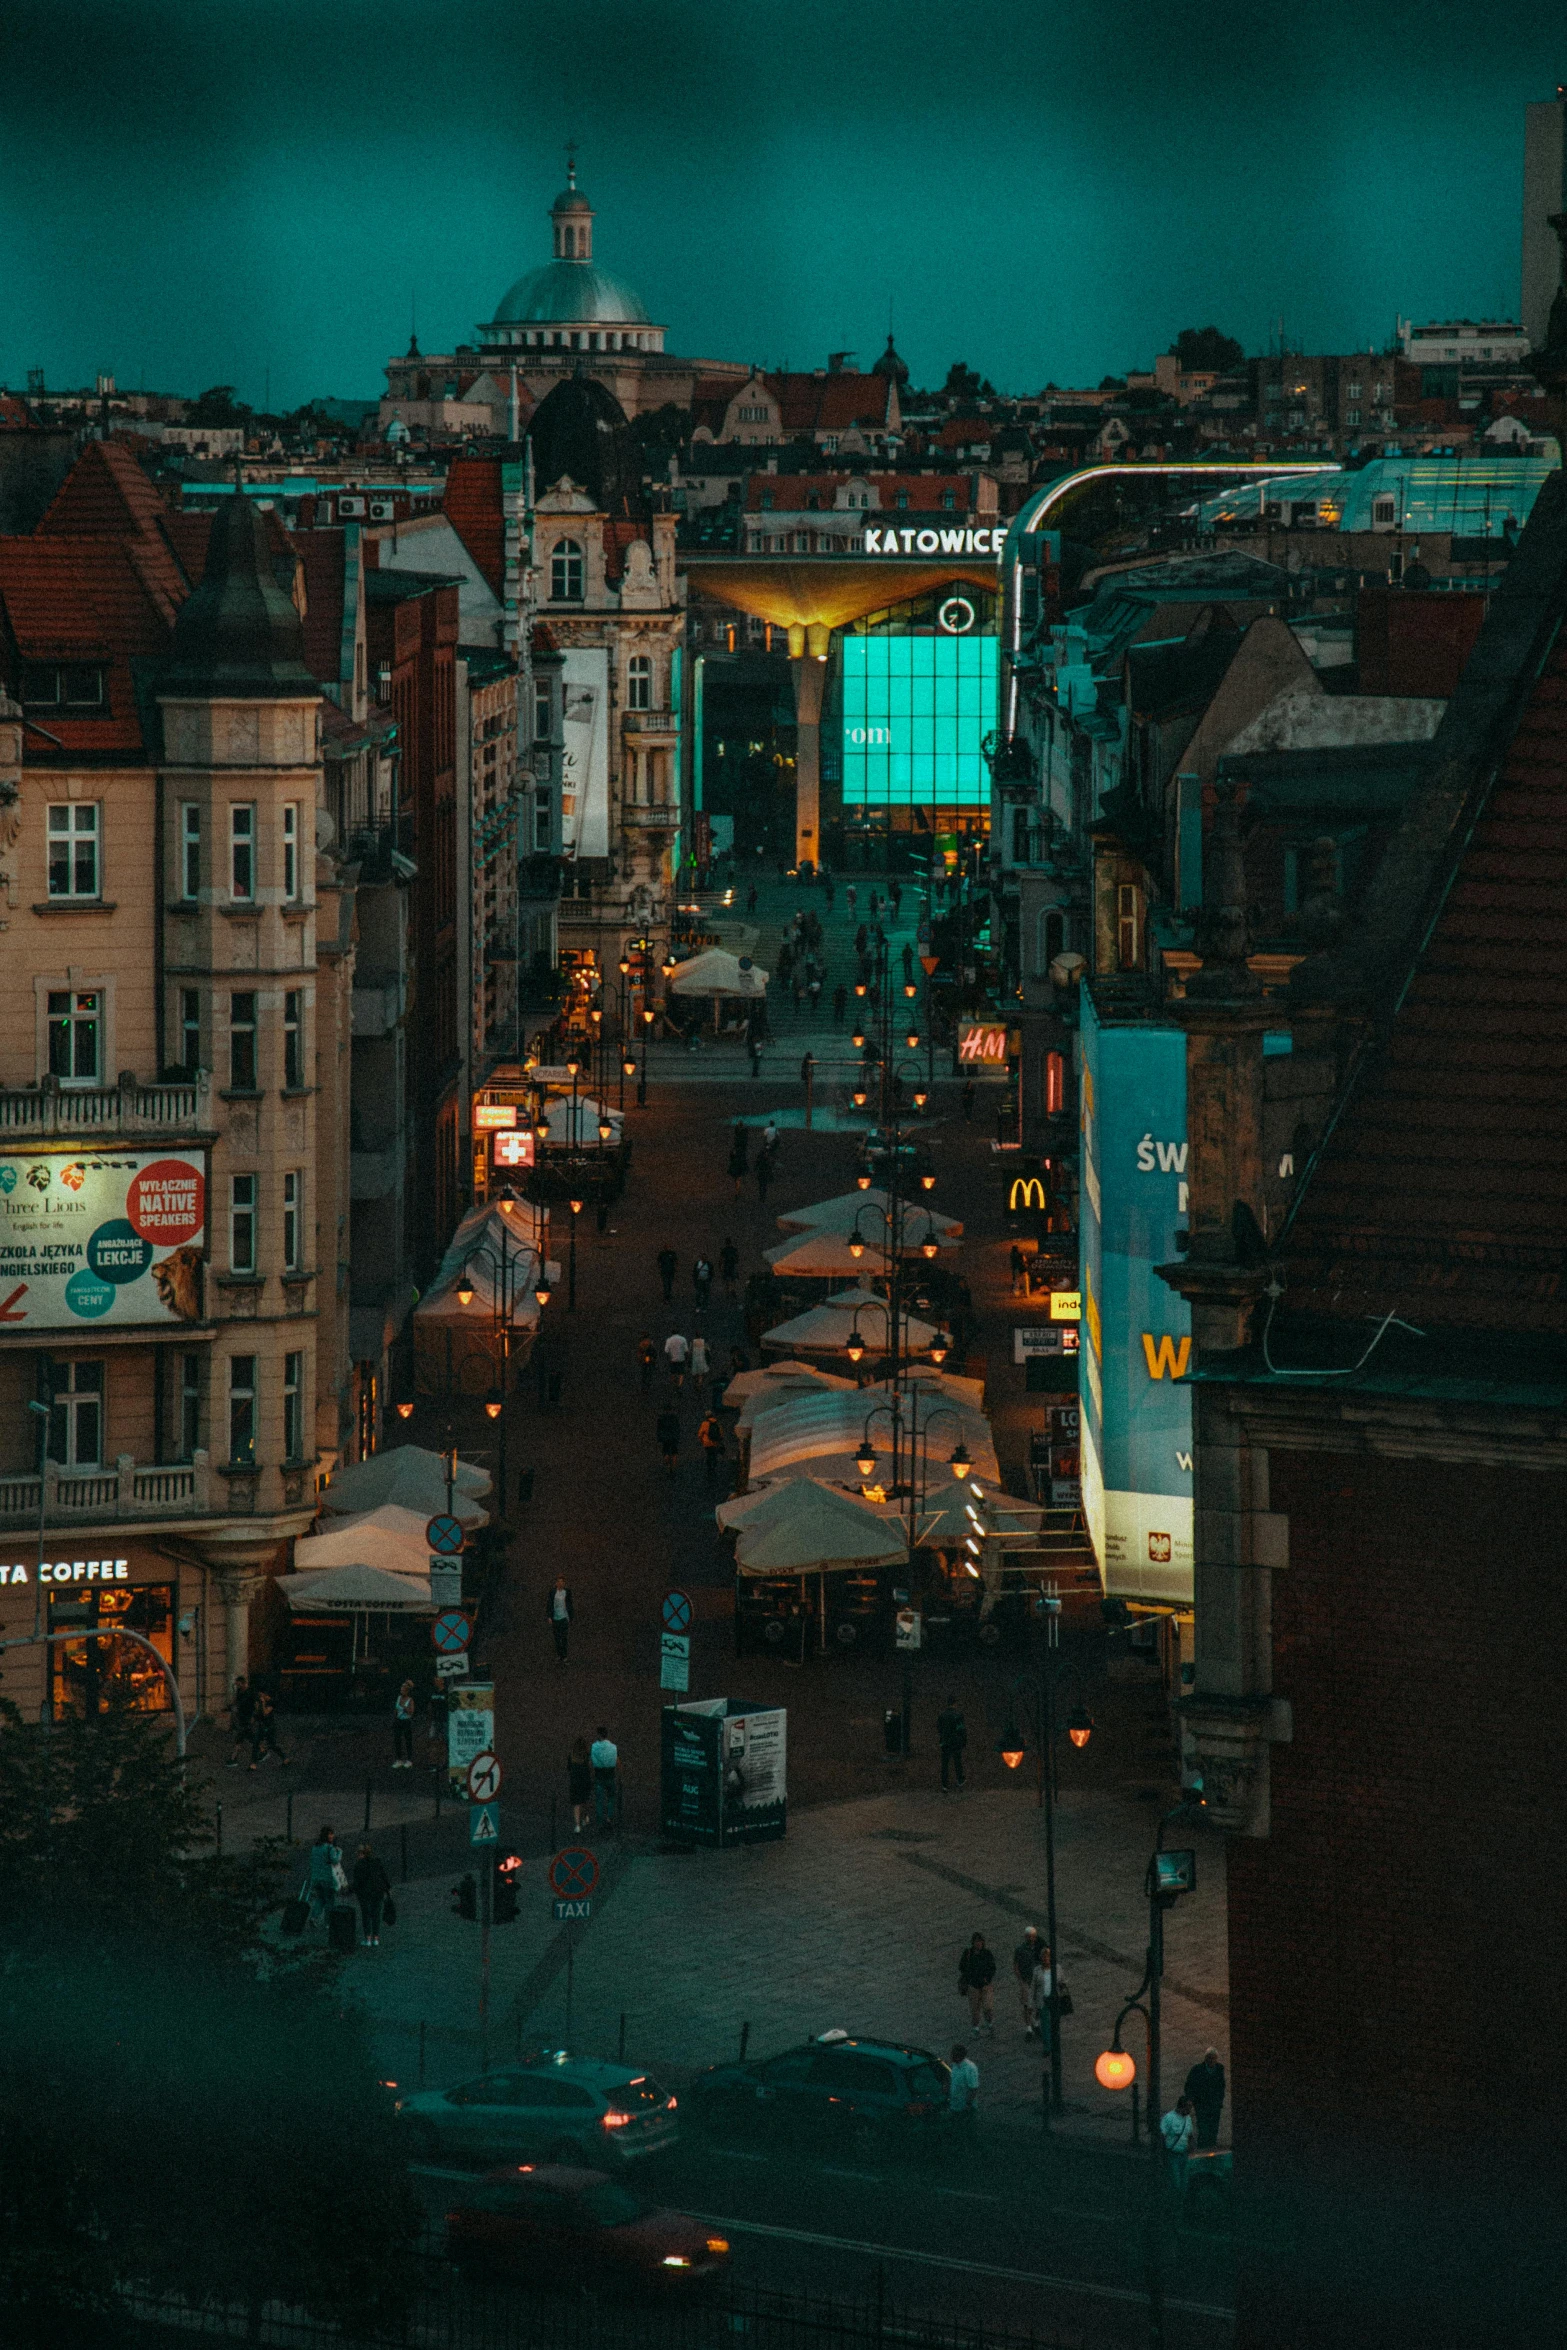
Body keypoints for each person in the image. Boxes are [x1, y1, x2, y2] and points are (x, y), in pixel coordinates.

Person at [1183, 2049, 1227, 2149]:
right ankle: (1203, 2148)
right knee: (1203, 2128)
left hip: (1215, 2105)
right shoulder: (1197, 2069)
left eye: (1213, 2058)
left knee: (1213, 2128)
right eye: (1209, 2058)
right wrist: (1191, 2099)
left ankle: (1212, 2146)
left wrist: (1219, 2101)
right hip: (1202, 2104)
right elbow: (1189, 2085)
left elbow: (1221, 2086)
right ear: (1206, 2058)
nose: (1211, 2060)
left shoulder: (1219, 2069)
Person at [352, 1843, 392, 1947]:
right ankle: (376, 1938)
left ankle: (368, 1938)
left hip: (365, 1893)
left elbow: (357, 1882)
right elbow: (383, 1876)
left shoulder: (359, 1865)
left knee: (366, 1915)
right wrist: (387, 1889)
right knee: (376, 1915)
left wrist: (349, 1890)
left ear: (361, 1854)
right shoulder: (376, 1862)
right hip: (378, 1892)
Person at [958, 1933, 996, 2033]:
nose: (979, 1944)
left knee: (988, 2007)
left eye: (980, 1941)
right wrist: (969, 1976)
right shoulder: (968, 1953)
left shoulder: (987, 1953)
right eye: (977, 1942)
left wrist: (987, 1979)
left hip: (985, 1985)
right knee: (975, 2009)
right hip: (973, 1986)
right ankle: (975, 2028)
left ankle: (989, 2024)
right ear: (973, 1942)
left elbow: (992, 1968)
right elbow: (961, 1966)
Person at [305, 1825, 343, 1924]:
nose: (332, 1836)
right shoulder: (330, 1848)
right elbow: (335, 1860)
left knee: (320, 1898)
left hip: (316, 1878)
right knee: (330, 1900)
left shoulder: (315, 1848)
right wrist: (339, 1852)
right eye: (331, 1834)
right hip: (327, 1878)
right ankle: (328, 1922)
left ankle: (314, 1917)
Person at [1013, 1926, 1046, 2035]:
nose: (1031, 1939)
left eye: (1033, 1937)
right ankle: (1028, 2028)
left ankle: (1035, 2023)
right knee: (1027, 2004)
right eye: (1029, 1937)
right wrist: (1020, 1980)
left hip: (1036, 1980)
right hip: (1026, 1980)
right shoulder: (1020, 1950)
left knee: (1038, 2004)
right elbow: (1016, 1965)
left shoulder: (1039, 1948)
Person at [248, 1687, 289, 1771]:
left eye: (261, 1694)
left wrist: (263, 1704)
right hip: (261, 1726)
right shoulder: (259, 1701)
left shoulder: (271, 1702)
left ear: (265, 1694)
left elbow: (265, 1713)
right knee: (256, 1744)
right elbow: (257, 1714)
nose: (260, 1696)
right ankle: (253, 1764)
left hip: (269, 1727)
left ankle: (284, 1757)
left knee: (272, 1745)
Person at [947, 2043, 980, 2138]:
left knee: (967, 2129)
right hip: (955, 2104)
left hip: (964, 2106)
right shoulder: (955, 2065)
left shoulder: (970, 2068)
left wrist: (968, 2104)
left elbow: (973, 2088)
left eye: (952, 2054)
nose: (950, 2056)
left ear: (958, 2056)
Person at [1161, 2096, 1197, 2181]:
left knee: (1184, 2179)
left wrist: (1192, 2147)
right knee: (1175, 2180)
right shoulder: (1169, 2118)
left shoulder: (1188, 2118)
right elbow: (1162, 2136)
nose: (1190, 2109)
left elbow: (1190, 2135)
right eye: (1189, 2107)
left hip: (1184, 2153)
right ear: (1182, 2106)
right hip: (1173, 2154)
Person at [590, 1726, 619, 1828]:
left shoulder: (594, 1747)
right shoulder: (613, 1747)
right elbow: (615, 1760)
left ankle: (600, 1820)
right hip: (610, 1774)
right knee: (611, 1798)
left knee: (599, 1800)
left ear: (599, 1735)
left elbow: (593, 1761)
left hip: (599, 1775)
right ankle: (609, 1818)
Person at [936, 1694, 967, 1792]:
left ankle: (945, 1784)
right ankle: (960, 1780)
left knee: (945, 1763)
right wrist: (963, 1740)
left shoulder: (942, 1715)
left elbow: (939, 1728)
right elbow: (961, 1729)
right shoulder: (958, 1715)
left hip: (945, 1741)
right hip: (956, 1741)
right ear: (955, 1703)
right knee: (957, 1761)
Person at [225, 1674, 256, 1767]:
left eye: (239, 1685)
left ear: (244, 1684)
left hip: (247, 1718)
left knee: (240, 1738)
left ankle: (233, 1759)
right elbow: (236, 1701)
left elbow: (255, 1705)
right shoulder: (240, 1691)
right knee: (249, 1737)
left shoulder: (250, 1692)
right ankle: (262, 1750)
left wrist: (253, 1717)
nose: (238, 1686)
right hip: (242, 1718)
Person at [546, 1575, 574, 1663]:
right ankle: (559, 1655)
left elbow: (570, 1604)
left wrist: (570, 1616)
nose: (560, 1583)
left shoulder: (567, 1592)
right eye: (559, 1581)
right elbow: (549, 1604)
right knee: (557, 1638)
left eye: (562, 1582)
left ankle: (564, 1656)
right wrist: (549, 1616)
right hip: (555, 1618)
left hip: (564, 1617)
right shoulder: (552, 1592)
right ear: (556, 1583)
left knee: (564, 1638)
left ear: (564, 1583)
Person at [568, 1736, 593, 1832]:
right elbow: (590, 1767)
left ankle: (577, 1825)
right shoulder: (587, 1755)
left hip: (575, 1781)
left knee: (576, 1804)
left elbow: (569, 1768)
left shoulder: (571, 1756)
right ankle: (585, 1817)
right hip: (585, 1780)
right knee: (585, 1800)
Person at [392, 1679, 416, 1767]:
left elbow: (411, 1712)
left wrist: (406, 1709)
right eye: (401, 1689)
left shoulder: (410, 1700)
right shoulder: (398, 1698)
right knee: (397, 1740)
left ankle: (409, 1759)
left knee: (407, 1740)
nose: (402, 1691)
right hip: (398, 1721)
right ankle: (399, 1759)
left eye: (403, 1689)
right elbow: (395, 1709)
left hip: (406, 1721)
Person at [699, 1409, 726, 1483]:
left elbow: (700, 1434)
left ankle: (709, 1467)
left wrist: (702, 1440)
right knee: (714, 1454)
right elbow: (721, 1433)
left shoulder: (704, 1423)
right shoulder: (717, 1423)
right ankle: (714, 1466)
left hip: (707, 1443)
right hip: (715, 1443)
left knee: (708, 1454)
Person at [656, 1409, 681, 1475]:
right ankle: (674, 1468)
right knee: (674, 1452)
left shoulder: (661, 1419)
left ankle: (667, 1466)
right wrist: (677, 1437)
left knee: (665, 1451)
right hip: (673, 1437)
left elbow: (659, 1430)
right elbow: (678, 1428)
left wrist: (659, 1438)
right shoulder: (674, 1418)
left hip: (665, 1438)